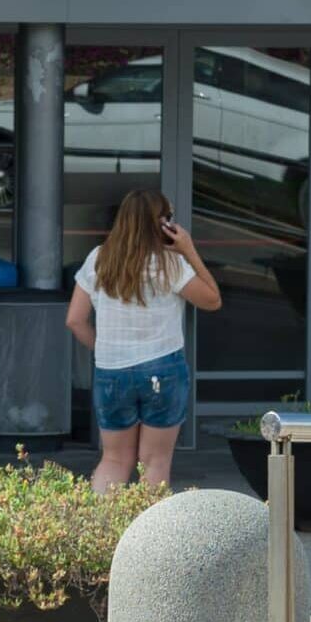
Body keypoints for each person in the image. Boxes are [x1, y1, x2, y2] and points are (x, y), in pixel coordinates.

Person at [66, 190, 221, 493]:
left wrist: (106, 349)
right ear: (160, 224)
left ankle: (98, 533)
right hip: (162, 368)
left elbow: (74, 320)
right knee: (155, 462)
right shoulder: (170, 264)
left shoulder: (99, 258)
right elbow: (212, 300)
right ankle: (149, 539)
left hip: (111, 371)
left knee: (113, 460)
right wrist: (188, 249)